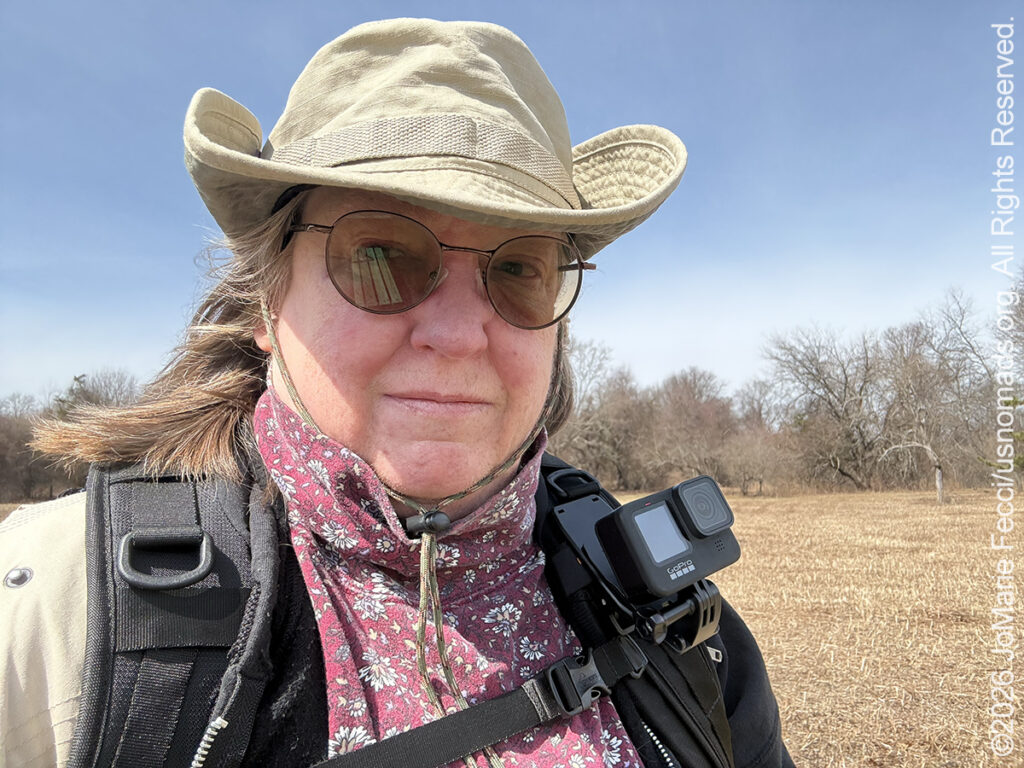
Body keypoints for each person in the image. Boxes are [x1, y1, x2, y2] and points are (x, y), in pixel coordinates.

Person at [1, 18, 791, 768]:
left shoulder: (663, 613)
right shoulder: (55, 610)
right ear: (267, 303)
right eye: (379, 255)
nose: (459, 334)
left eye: (519, 268)